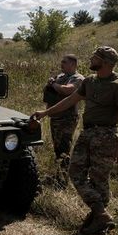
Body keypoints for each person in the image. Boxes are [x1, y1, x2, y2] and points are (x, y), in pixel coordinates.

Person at [32, 46, 118, 235]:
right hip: (87, 134)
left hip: (105, 137)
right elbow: (70, 100)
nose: (90, 59)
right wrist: (46, 113)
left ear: (104, 63)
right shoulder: (89, 81)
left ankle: (97, 218)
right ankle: (101, 214)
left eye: (94, 58)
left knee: (99, 180)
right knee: (74, 172)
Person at [43, 54, 84, 188]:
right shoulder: (60, 77)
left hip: (67, 118)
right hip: (55, 117)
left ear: (73, 64)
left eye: (64, 62)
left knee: (64, 148)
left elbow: (68, 91)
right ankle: (58, 176)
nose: (61, 64)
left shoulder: (78, 78)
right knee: (57, 148)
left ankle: (64, 180)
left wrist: (53, 84)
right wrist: (52, 83)